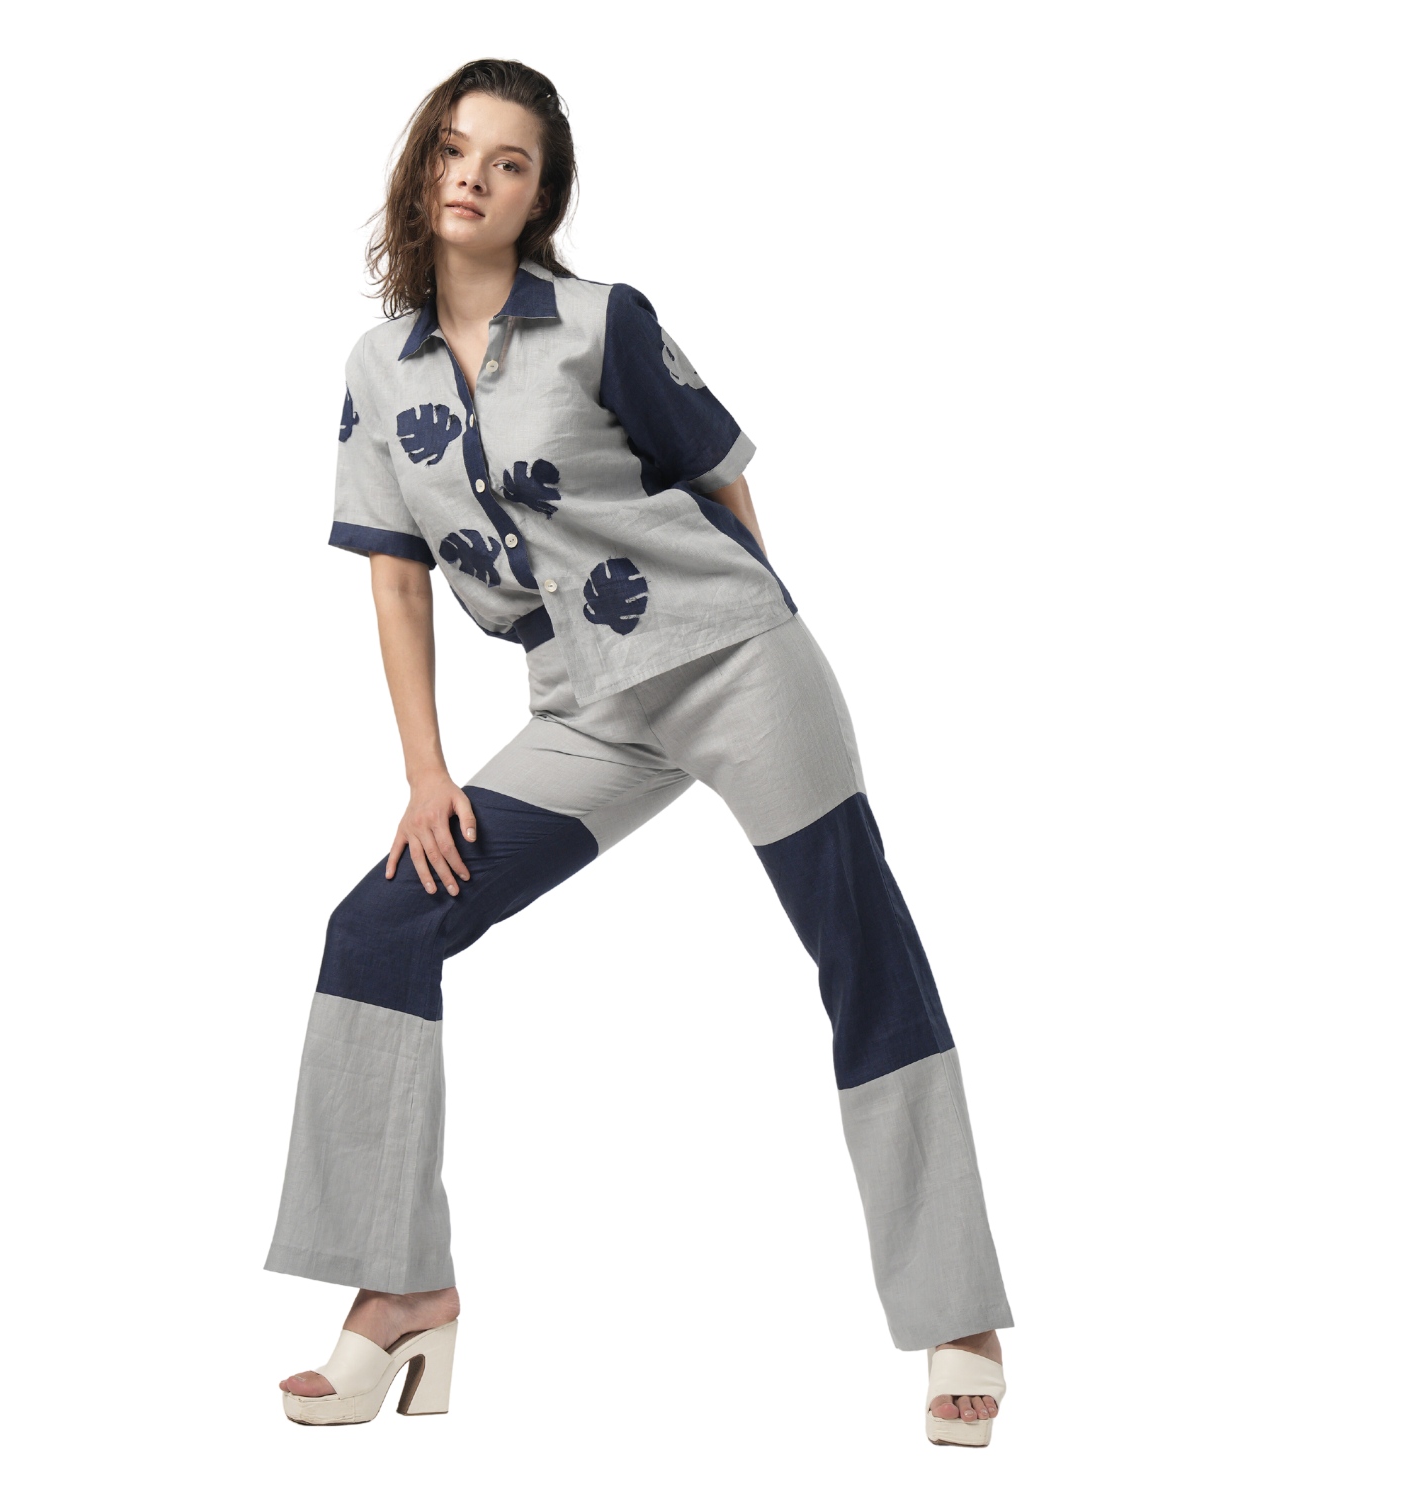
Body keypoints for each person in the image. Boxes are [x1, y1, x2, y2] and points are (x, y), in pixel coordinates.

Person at [266, 58, 1012, 1445]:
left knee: (863, 955)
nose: (475, 177)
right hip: (583, 710)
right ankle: (405, 1291)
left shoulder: (603, 323)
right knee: (379, 927)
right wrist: (427, 775)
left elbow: (721, 479)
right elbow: (395, 581)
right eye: (455, 150)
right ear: (423, 167)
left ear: (540, 196)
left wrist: (760, 636)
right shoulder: (377, 370)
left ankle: (957, 1315)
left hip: (734, 664)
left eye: (509, 162)